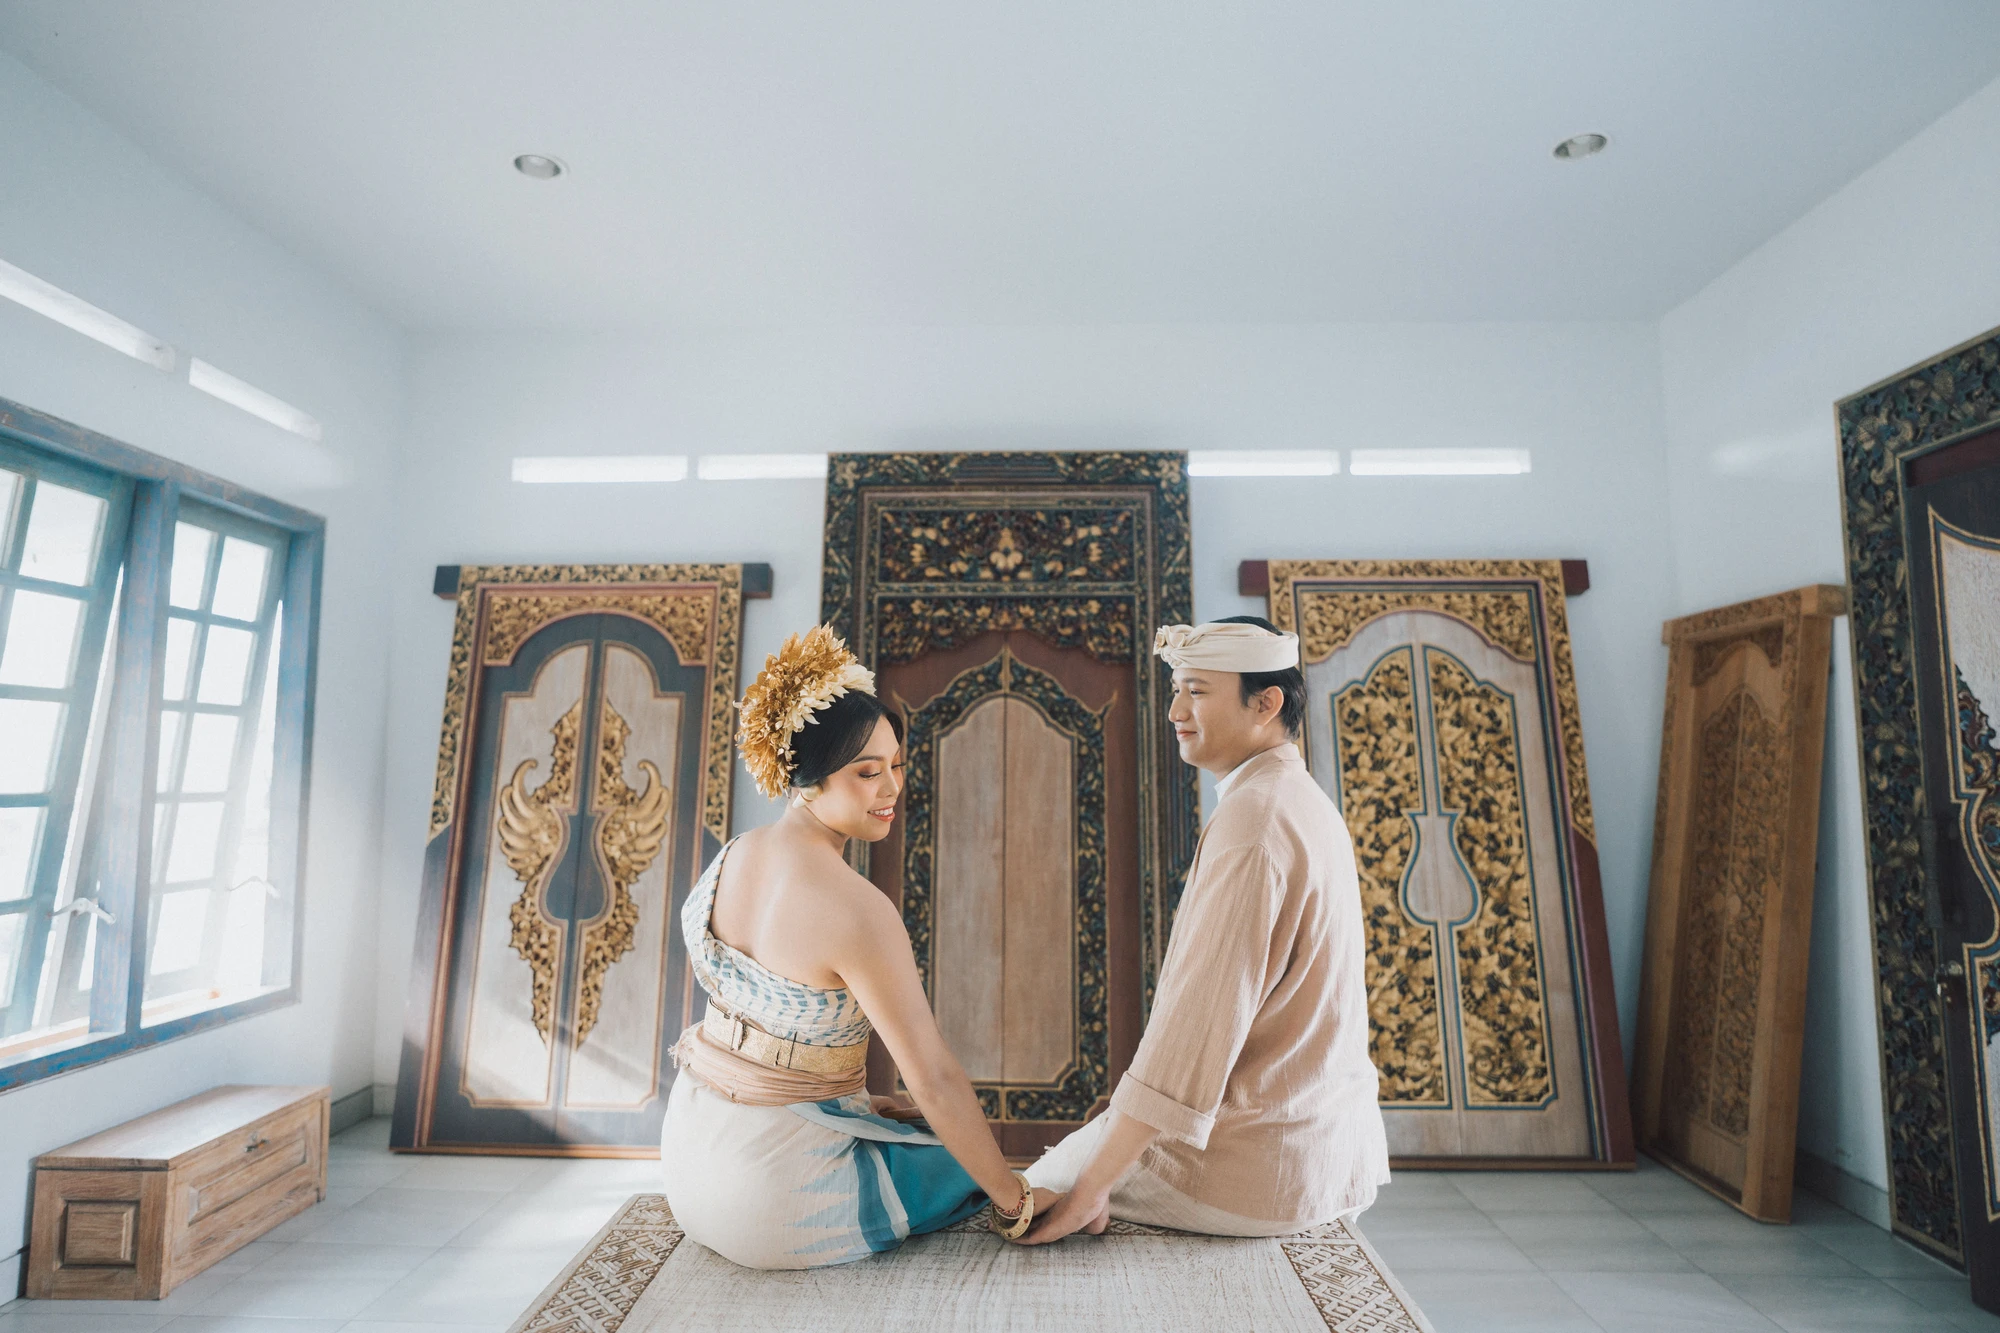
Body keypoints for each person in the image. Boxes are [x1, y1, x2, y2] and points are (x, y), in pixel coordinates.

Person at [661, 624, 1056, 1269]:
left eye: (896, 766)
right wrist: (1017, 1204)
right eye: (868, 773)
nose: (892, 789)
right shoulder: (856, 909)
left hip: (686, 1164)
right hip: (769, 1201)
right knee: (973, 1165)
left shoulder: (734, 854)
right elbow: (932, 1077)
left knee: (910, 1128)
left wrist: (854, 1102)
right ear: (808, 778)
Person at [1021, 615, 1389, 1242]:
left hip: (1254, 1161)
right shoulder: (1297, 798)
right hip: (1325, 1148)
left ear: (1265, 704)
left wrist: (1092, 1186)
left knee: (1022, 1200)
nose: (1175, 712)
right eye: (1176, 691)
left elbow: (1193, 1031)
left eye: (1196, 691)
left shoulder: (1255, 820)